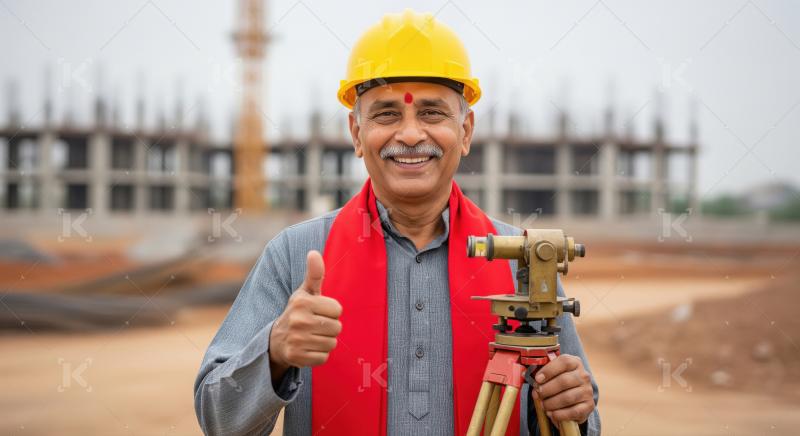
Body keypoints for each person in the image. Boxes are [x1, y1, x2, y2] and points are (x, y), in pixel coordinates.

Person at [194, 9, 600, 436]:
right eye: (386, 114)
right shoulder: (295, 254)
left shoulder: (523, 257)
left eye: (431, 113)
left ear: (465, 132)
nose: (409, 135)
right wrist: (274, 353)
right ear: (355, 133)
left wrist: (570, 411)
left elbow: (581, 422)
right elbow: (218, 420)